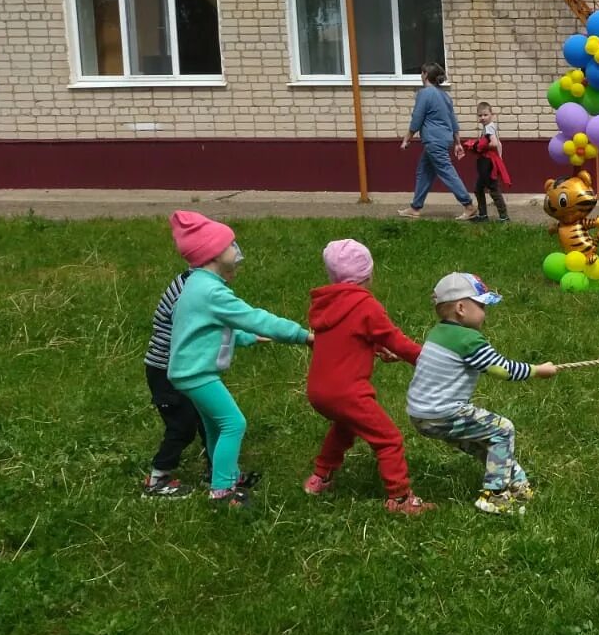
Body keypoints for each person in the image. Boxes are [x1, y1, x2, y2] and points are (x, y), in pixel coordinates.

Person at [165, 211, 312, 508]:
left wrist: (245, 338)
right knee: (234, 423)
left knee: (216, 426)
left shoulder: (197, 284)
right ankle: (221, 491)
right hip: (197, 374)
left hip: (190, 370)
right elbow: (253, 317)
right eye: (231, 245)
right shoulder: (211, 291)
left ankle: (224, 477)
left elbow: (206, 331)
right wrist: (301, 335)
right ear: (213, 254)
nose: (237, 251)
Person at [404, 272, 557, 516]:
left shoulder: (438, 333)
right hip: (443, 413)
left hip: (421, 415)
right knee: (502, 429)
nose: (485, 312)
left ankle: (517, 484)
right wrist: (538, 370)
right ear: (462, 308)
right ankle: (494, 497)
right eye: (482, 305)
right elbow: (502, 370)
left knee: (487, 442)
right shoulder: (467, 340)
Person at [303, 240, 431, 514]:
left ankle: (319, 477)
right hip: (348, 391)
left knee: (344, 426)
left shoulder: (325, 304)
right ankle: (399, 498)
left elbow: (346, 338)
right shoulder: (366, 306)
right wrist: (428, 359)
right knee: (388, 439)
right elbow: (395, 339)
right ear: (368, 274)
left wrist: (374, 348)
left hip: (318, 391)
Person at [142, 264, 209, 498]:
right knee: (182, 427)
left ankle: (217, 470)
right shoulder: (189, 291)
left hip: (186, 368)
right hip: (166, 371)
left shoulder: (196, 283)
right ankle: (157, 480)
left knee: (207, 416)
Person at [398, 63, 476, 221]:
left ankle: (468, 205)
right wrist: (457, 142)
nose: (421, 75)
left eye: (421, 73)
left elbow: (417, 118)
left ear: (426, 75)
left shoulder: (425, 93)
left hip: (434, 141)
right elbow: (452, 120)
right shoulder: (444, 96)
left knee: (446, 170)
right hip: (443, 139)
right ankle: (415, 207)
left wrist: (407, 139)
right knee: (424, 172)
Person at [461, 101, 511, 223]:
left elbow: (493, 143)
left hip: (488, 163)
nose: (482, 118)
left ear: (491, 115)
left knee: (493, 189)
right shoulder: (489, 127)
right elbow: (498, 144)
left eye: (485, 115)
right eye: (480, 115)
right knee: (479, 188)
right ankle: (483, 215)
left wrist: (477, 145)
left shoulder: (489, 127)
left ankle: (504, 217)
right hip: (486, 162)